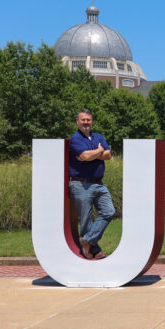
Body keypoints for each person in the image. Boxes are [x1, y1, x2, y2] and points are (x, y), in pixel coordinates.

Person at [68, 109, 115, 259]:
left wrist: (94, 153)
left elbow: (108, 155)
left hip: (98, 184)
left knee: (109, 211)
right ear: (77, 122)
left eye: (88, 119)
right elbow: (84, 156)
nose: (86, 122)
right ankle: (93, 251)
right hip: (81, 184)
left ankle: (88, 241)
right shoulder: (75, 139)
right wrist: (99, 150)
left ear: (92, 121)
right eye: (83, 120)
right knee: (86, 221)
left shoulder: (98, 137)